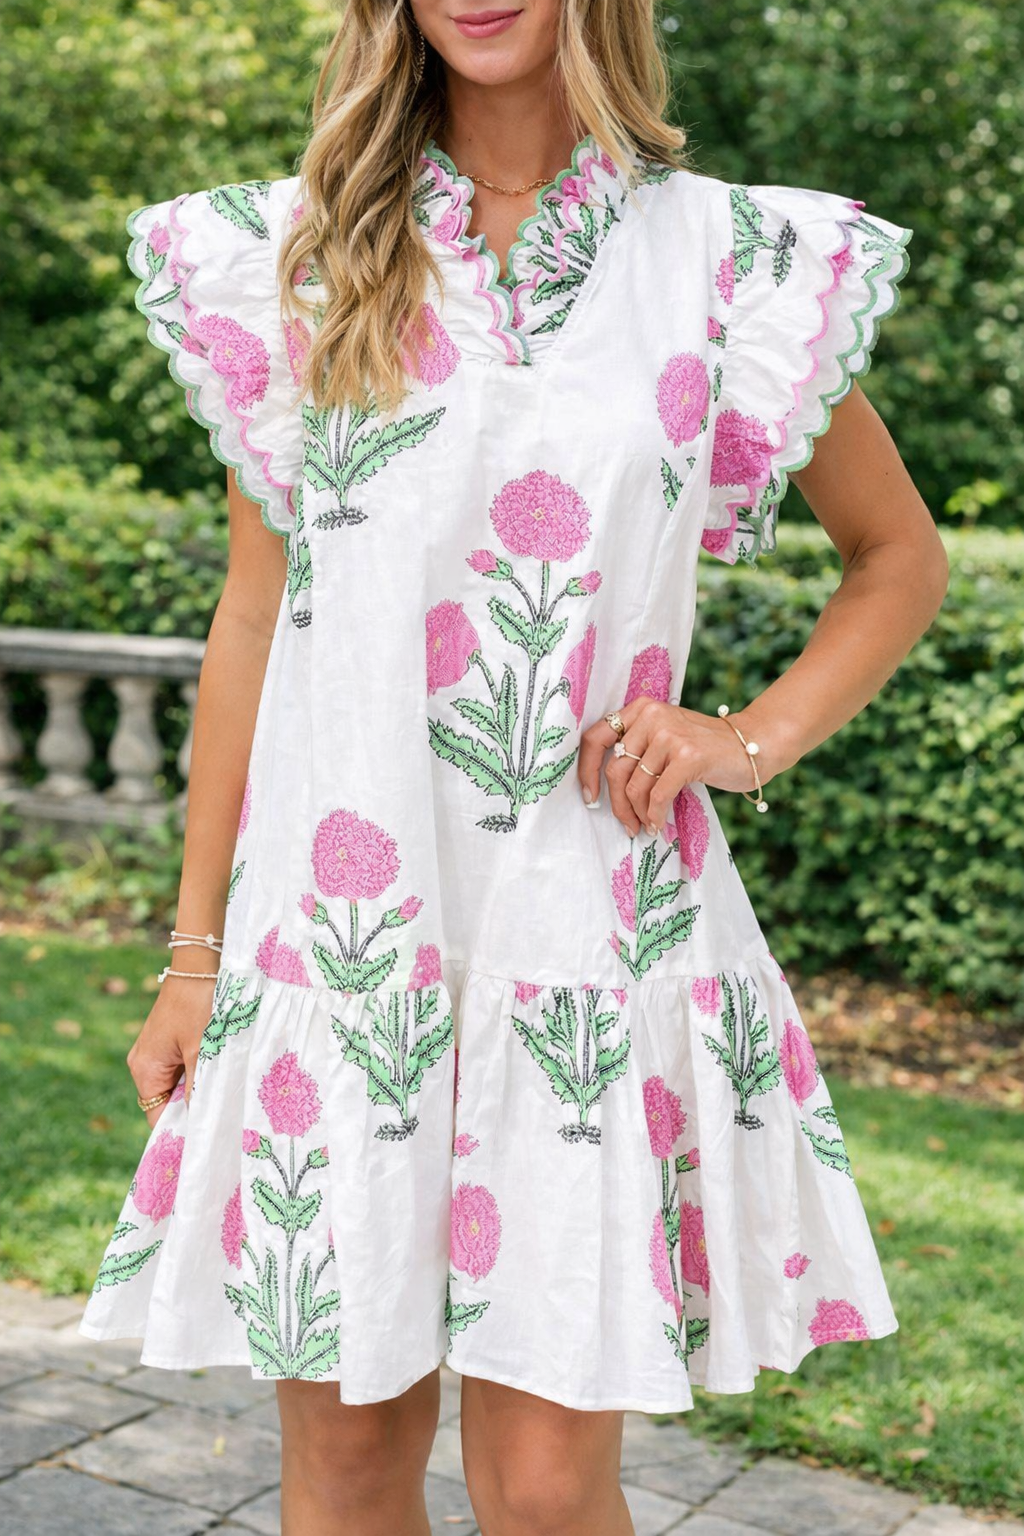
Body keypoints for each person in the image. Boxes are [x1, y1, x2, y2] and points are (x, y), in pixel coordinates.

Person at [77, 0, 948, 1530]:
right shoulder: (296, 254)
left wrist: (742, 740)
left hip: (586, 943)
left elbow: (899, 557)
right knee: (350, 1460)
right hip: (344, 940)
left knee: (545, 1491)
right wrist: (193, 955)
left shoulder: (726, 262)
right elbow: (254, 617)